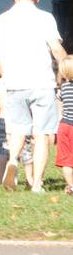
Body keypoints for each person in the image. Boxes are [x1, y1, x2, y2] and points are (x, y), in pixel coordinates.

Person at [0, 0, 66, 193]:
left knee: (18, 130)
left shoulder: (3, 20)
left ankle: (13, 160)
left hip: (16, 83)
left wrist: (7, 78)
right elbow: (55, 49)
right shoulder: (45, 18)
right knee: (42, 134)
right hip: (42, 83)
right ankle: (37, 183)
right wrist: (67, 68)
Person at [56, 57, 73, 196]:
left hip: (64, 126)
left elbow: (59, 106)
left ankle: (71, 185)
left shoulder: (63, 88)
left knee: (67, 160)